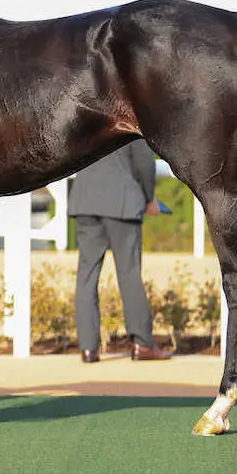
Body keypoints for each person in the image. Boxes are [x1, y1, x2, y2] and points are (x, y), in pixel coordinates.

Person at [69, 138, 172, 363]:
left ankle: (88, 349)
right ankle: (142, 344)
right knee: (129, 275)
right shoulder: (130, 115)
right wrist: (149, 198)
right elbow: (145, 163)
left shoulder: (87, 116)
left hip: (85, 201)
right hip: (123, 203)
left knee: (86, 277)